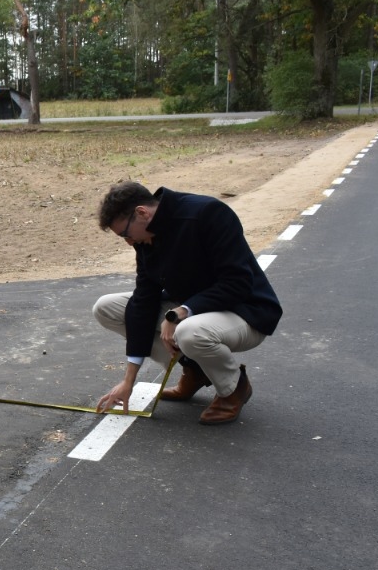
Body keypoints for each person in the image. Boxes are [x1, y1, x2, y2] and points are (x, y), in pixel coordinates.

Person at [93, 181, 282, 424]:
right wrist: (128, 381)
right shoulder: (146, 237)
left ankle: (234, 388)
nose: (128, 242)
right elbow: (144, 300)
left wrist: (180, 312)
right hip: (193, 310)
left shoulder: (207, 213)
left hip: (245, 311)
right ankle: (194, 370)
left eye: (125, 234)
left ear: (142, 213)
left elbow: (237, 283)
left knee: (188, 332)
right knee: (106, 307)